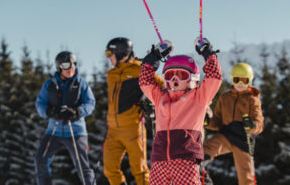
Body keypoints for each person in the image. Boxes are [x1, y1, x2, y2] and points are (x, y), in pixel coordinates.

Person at [139, 38, 222, 184]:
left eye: (181, 75)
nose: (175, 80)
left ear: (193, 79)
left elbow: (214, 77)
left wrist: (208, 54)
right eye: (170, 76)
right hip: (159, 159)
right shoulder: (161, 98)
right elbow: (145, 81)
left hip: (185, 159)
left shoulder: (198, 97)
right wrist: (154, 58)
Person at [103, 37, 164, 185]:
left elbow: (162, 87)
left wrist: (151, 104)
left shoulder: (139, 70)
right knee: (110, 169)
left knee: (140, 171)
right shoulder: (112, 74)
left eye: (110, 53)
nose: (108, 57)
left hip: (133, 128)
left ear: (120, 53)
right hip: (113, 130)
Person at [35, 51, 96, 185]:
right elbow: (40, 103)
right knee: (40, 160)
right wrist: (50, 112)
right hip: (54, 131)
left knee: (82, 166)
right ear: (58, 67)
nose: (71, 68)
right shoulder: (50, 84)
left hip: (76, 131)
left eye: (74, 64)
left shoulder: (81, 83)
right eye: (67, 65)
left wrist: (77, 112)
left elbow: (90, 103)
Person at [202, 63, 264, 185]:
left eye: (244, 80)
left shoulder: (252, 99)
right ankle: (197, 170)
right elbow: (218, 121)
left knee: (245, 174)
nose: (240, 84)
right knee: (206, 148)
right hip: (226, 135)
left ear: (249, 80)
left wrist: (251, 126)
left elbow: (259, 124)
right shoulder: (225, 97)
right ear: (232, 79)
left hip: (243, 139)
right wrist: (208, 122)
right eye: (236, 79)